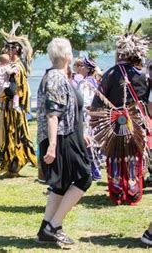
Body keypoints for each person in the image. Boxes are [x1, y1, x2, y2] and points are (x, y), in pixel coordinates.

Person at [36, 38, 92, 245]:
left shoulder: (57, 76)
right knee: (84, 178)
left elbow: (68, 110)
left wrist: (82, 131)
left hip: (68, 136)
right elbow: (53, 114)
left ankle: (46, 229)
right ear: (68, 56)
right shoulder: (56, 78)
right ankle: (54, 225)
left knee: (61, 184)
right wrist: (52, 146)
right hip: (61, 138)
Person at [90, 22, 149, 205]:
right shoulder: (143, 74)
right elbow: (147, 100)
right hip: (136, 122)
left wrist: (96, 120)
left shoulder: (109, 74)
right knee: (133, 154)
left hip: (114, 122)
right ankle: (132, 189)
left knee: (115, 154)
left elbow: (97, 102)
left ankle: (117, 190)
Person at [0, 24, 37, 176]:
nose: (6, 51)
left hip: (12, 109)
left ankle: (15, 165)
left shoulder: (16, 68)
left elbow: (12, 90)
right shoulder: (18, 66)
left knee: (13, 137)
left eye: (9, 49)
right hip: (12, 108)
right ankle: (13, 165)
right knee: (12, 136)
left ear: (15, 50)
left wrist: (0, 87)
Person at [74, 57, 102, 180]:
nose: (81, 68)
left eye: (83, 66)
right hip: (93, 115)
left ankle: (93, 169)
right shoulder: (93, 81)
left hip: (86, 115)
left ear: (88, 69)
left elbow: (83, 101)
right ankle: (95, 169)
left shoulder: (85, 83)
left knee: (87, 142)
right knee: (92, 141)